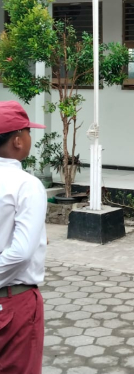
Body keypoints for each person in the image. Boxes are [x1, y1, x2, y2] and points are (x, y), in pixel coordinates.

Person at [0, 100, 47, 374]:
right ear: (17, 141)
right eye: (28, 132)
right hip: (12, 303)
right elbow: (21, 253)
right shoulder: (26, 185)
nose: (30, 138)